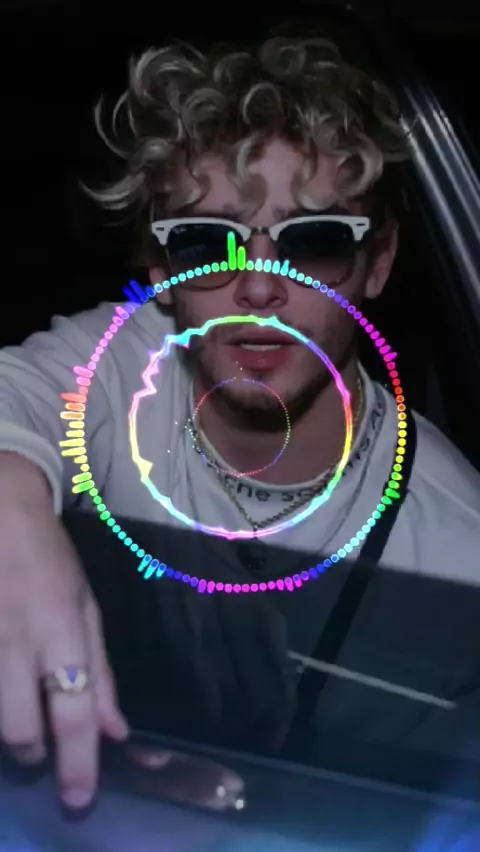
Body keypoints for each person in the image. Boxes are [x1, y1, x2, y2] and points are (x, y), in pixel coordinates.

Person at [1, 30, 480, 815]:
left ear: (379, 261)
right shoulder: (121, 369)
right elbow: (16, 395)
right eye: (206, 241)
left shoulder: (459, 549)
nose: (258, 286)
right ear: (163, 271)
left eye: (316, 241)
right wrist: (12, 509)